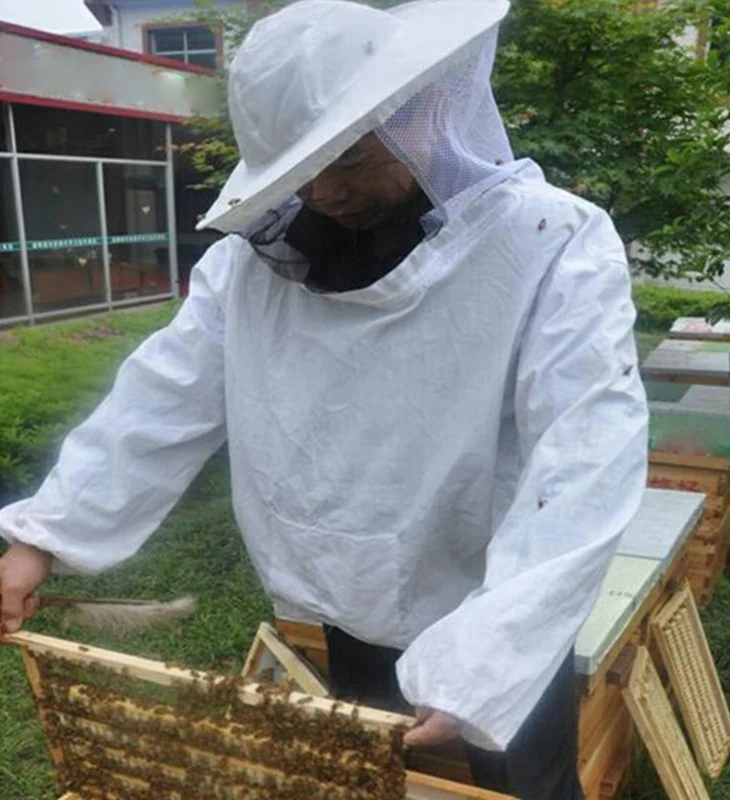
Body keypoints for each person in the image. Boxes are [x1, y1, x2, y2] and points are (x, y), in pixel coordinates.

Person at [0, 1, 649, 798]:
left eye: (350, 158)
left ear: (418, 118)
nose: (325, 191)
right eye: (302, 168)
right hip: (346, 608)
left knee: (523, 787)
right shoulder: (248, 270)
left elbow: (584, 458)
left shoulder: (553, 243)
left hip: (496, 609)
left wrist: (486, 660)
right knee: (358, 783)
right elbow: (159, 400)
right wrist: (43, 536)